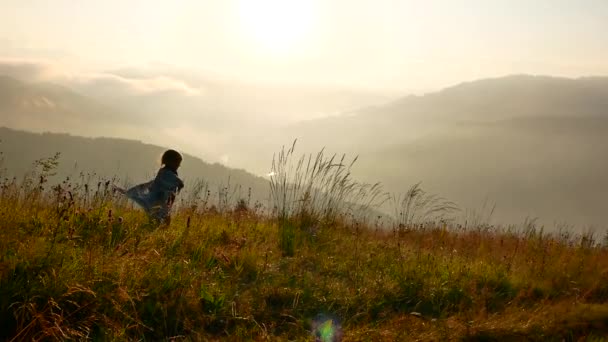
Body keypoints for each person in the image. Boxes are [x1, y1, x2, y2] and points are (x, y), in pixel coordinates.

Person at [115, 149, 184, 226]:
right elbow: (175, 181)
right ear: (171, 162)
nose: (179, 165)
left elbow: (156, 183)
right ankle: (153, 233)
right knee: (161, 220)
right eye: (178, 163)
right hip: (158, 202)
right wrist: (180, 183)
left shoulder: (164, 172)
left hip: (160, 202)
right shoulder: (167, 172)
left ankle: (153, 231)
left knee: (160, 220)